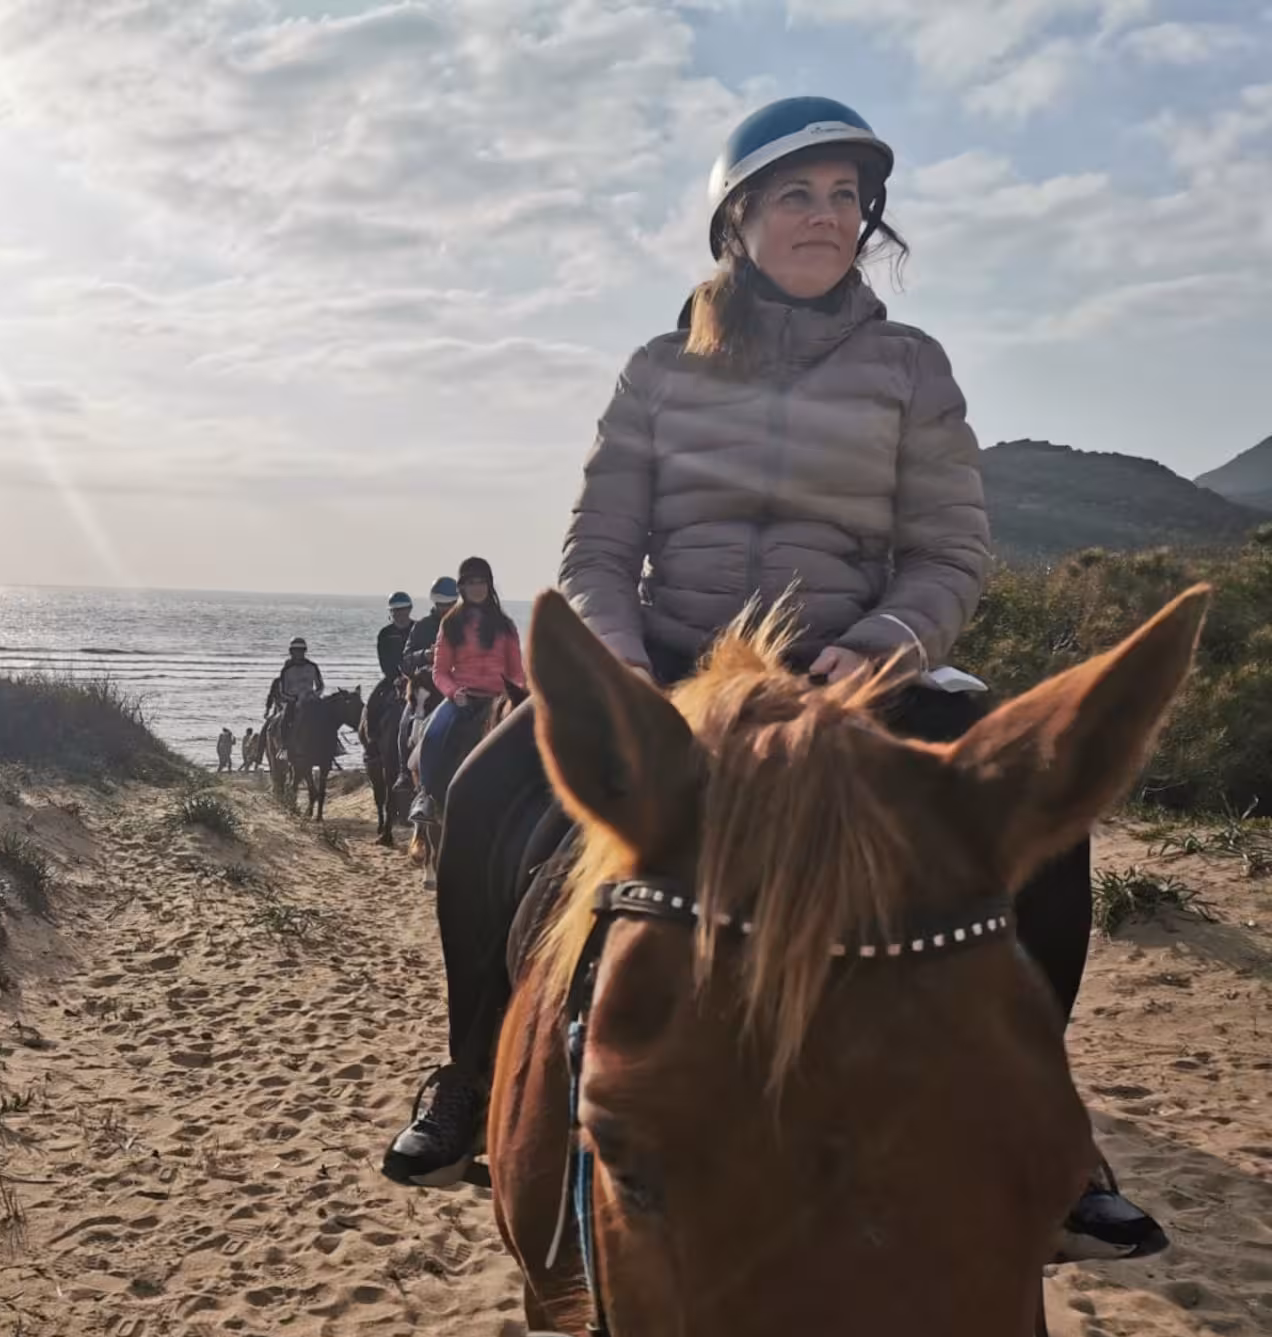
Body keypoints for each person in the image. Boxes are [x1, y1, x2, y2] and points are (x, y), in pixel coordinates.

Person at [379, 96, 1159, 1264]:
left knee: (1035, 809)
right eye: (798, 192)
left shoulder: (911, 368)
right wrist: (625, 669)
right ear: (735, 219)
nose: (829, 215)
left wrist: (886, 642)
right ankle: (470, 1067)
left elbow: (950, 551)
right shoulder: (655, 370)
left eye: (848, 196)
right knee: (487, 785)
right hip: (676, 660)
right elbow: (598, 549)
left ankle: (1049, 1130)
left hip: (849, 670)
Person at [409, 559, 525, 823]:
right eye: (471, 582)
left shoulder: (505, 625)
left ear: (489, 584)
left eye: (481, 581)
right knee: (432, 735)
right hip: (463, 699)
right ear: (462, 587)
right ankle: (425, 797)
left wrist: (512, 693)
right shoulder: (451, 624)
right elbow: (440, 671)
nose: (477, 587)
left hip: (498, 699)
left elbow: (517, 670)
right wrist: (453, 693)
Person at [397, 577, 458, 775]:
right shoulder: (422, 627)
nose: (445, 609)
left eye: (449, 604)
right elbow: (405, 660)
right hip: (427, 687)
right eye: (441, 605)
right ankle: (403, 773)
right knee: (405, 723)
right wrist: (425, 655)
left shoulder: (464, 626)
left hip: (456, 686)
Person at [377, 592, 416, 680]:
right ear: (391, 611)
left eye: (403, 609)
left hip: (417, 676)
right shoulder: (385, 633)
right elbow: (384, 661)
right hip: (393, 678)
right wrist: (395, 677)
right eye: (396, 610)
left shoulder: (419, 628)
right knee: (375, 694)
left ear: (410, 609)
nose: (400, 613)